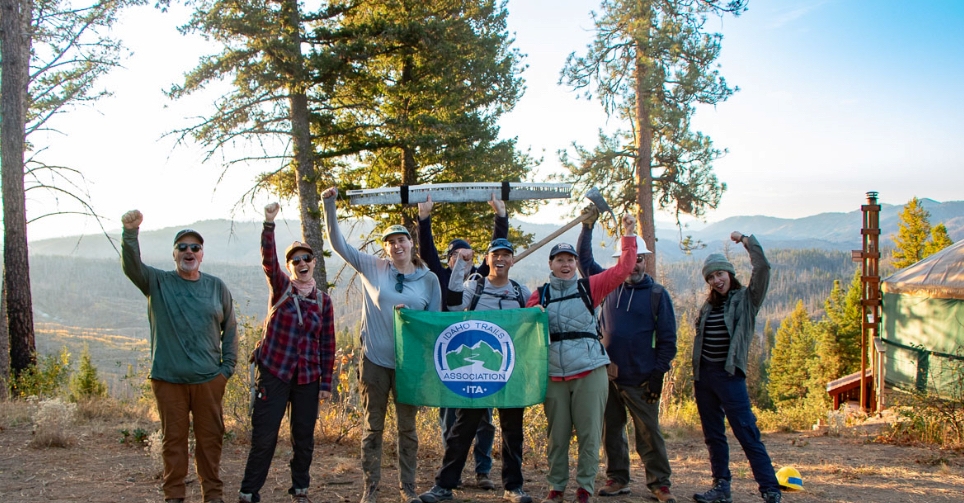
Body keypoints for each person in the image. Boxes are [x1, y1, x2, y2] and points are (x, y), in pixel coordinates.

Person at [321, 187, 442, 503]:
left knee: (407, 430)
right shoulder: (372, 267)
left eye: (401, 240)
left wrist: (412, 319)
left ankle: (408, 488)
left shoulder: (429, 279)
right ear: (385, 248)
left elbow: (433, 325)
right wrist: (329, 204)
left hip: (408, 365)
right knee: (373, 427)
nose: (396, 245)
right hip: (374, 360)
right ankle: (371, 488)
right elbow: (338, 244)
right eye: (390, 242)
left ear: (411, 243)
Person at [120, 210, 237, 503]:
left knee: (211, 440)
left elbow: (231, 329)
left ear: (202, 255)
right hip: (168, 379)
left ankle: (213, 496)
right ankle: (174, 496)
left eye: (195, 247)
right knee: (173, 441)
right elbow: (132, 266)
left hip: (209, 380)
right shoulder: (157, 282)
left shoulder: (216, 286)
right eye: (182, 247)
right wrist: (130, 233)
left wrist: (226, 370)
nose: (189, 252)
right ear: (174, 254)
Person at [525, 214, 638, 503]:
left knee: (590, 434)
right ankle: (556, 488)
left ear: (576, 264)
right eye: (559, 260)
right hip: (554, 374)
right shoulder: (539, 296)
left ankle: (585, 489)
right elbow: (523, 329)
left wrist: (628, 233)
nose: (565, 265)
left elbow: (623, 269)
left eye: (570, 260)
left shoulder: (590, 288)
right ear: (550, 264)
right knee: (557, 436)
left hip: (590, 370)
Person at [419, 238, 533, 503]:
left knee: (512, 431)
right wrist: (461, 264)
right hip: (477, 372)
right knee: (463, 428)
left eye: (506, 254)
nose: (500, 259)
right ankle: (444, 486)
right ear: (487, 259)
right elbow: (454, 304)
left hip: (509, 371)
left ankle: (513, 487)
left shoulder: (520, 292)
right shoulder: (475, 286)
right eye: (495, 254)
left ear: (512, 260)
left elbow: (534, 321)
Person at [576, 209, 678, 503]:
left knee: (649, 434)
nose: (635, 265)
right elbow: (584, 261)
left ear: (645, 261)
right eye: (631, 259)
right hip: (608, 376)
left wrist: (657, 375)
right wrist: (587, 227)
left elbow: (668, 340)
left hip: (641, 379)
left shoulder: (657, 294)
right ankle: (617, 479)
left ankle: (660, 484)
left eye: (640, 260)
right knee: (611, 431)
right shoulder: (609, 285)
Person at [238, 203, 336, 503]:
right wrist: (269, 224)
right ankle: (249, 492)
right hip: (275, 372)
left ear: (314, 262)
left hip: (307, 378)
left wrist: (325, 383)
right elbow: (268, 261)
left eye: (306, 258)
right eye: (295, 260)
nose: (301, 263)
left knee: (303, 438)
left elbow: (327, 344)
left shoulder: (323, 301)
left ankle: (300, 489)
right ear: (289, 266)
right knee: (265, 436)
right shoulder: (282, 288)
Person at [417, 193, 508, 490]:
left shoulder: (479, 279)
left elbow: (497, 250)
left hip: (479, 357)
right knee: (449, 417)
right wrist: (424, 218)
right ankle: (451, 471)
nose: (463, 260)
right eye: (457, 255)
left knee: (484, 419)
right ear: (449, 259)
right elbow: (427, 250)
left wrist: (500, 217)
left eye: (468, 256)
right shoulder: (440, 277)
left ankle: (483, 471)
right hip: (450, 357)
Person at [692, 232, 781, 503]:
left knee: (747, 433)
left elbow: (762, 268)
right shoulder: (709, 306)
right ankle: (721, 487)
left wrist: (745, 240)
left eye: (720, 274)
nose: (716, 280)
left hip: (729, 376)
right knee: (713, 436)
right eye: (711, 277)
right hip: (704, 377)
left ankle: (770, 489)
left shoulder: (747, 299)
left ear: (729, 273)